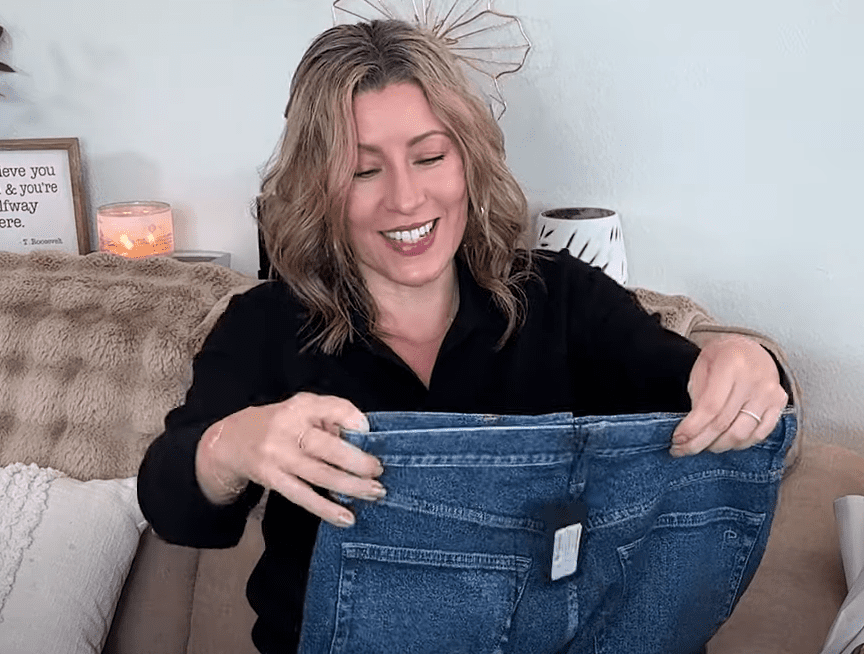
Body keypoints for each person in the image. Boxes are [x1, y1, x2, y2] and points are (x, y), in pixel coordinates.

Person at [137, 18, 790, 653]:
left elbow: (694, 382)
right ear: (318, 187)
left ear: (468, 160)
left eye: (429, 156)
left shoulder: (561, 298)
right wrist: (232, 445)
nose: (406, 197)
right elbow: (174, 506)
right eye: (365, 171)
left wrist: (743, 363)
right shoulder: (264, 325)